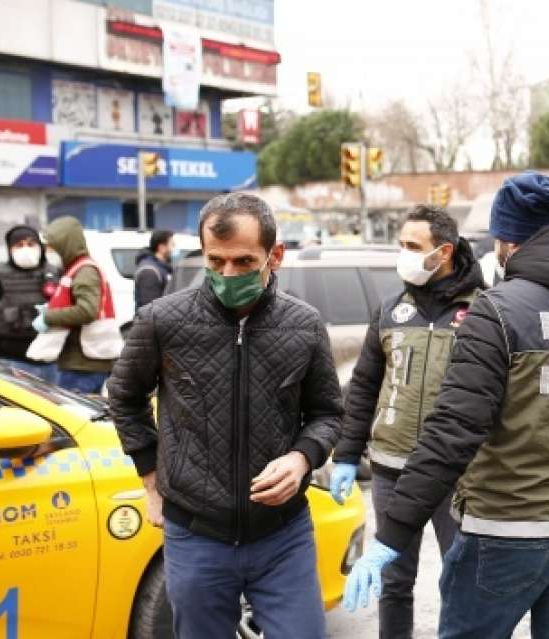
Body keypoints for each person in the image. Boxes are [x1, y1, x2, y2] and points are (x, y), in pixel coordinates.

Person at [341, 171, 549, 639]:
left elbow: (454, 429)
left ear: (508, 240)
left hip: (508, 529)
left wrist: (392, 535)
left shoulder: (497, 310)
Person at [108, 193, 343, 638]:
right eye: (215, 261)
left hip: (282, 535)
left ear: (275, 256)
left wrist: (302, 458)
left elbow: (328, 413)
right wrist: (151, 481)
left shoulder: (305, 325)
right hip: (196, 533)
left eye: (242, 261)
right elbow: (123, 397)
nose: (227, 274)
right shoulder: (163, 320)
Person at [329, 205, 484, 638]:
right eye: (401, 245)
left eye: (413, 247)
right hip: (391, 468)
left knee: (462, 579)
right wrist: (346, 454)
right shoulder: (391, 310)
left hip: (457, 474)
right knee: (393, 581)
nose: (404, 255)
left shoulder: (483, 312)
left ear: (444, 252)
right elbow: (363, 387)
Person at [37, 217, 116, 393]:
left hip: (83, 365)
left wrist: (48, 316)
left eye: (52, 246)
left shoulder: (85, 271)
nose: (48, 251)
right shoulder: (76, 268)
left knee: (69, 416)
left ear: (65, 244)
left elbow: (87, 310)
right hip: (81, 361)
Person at [0, 225, 59, 382]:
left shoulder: (55, 273)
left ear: (40, 247)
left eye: (31, 244)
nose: (26, 249)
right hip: (11, 362)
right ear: (10, 250)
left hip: (52, 364)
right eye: (19, 245)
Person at [134, 229, 174, 309]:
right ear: (162, 247)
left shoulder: (162, 268)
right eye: (172, 244)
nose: (174, 247)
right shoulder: (149, 272)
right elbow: (149, 308)